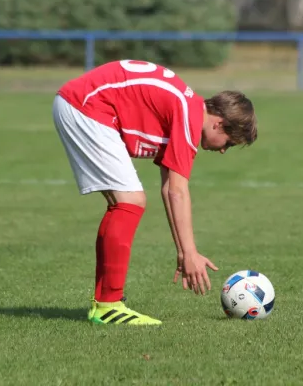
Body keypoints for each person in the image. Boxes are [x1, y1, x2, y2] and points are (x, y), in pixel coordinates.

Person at [52, 59, 258, 325]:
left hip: (81, 104)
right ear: (219, 123)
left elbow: (168, 187)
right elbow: (177, 191)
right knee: (130, 201)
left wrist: (184, 252)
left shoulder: (186, 108)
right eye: (228, 144)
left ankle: (105, 303)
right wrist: (191, 252)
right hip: (87, 107)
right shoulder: (189, 115)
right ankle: (108, 305)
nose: (222, 150)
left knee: (126, 202)